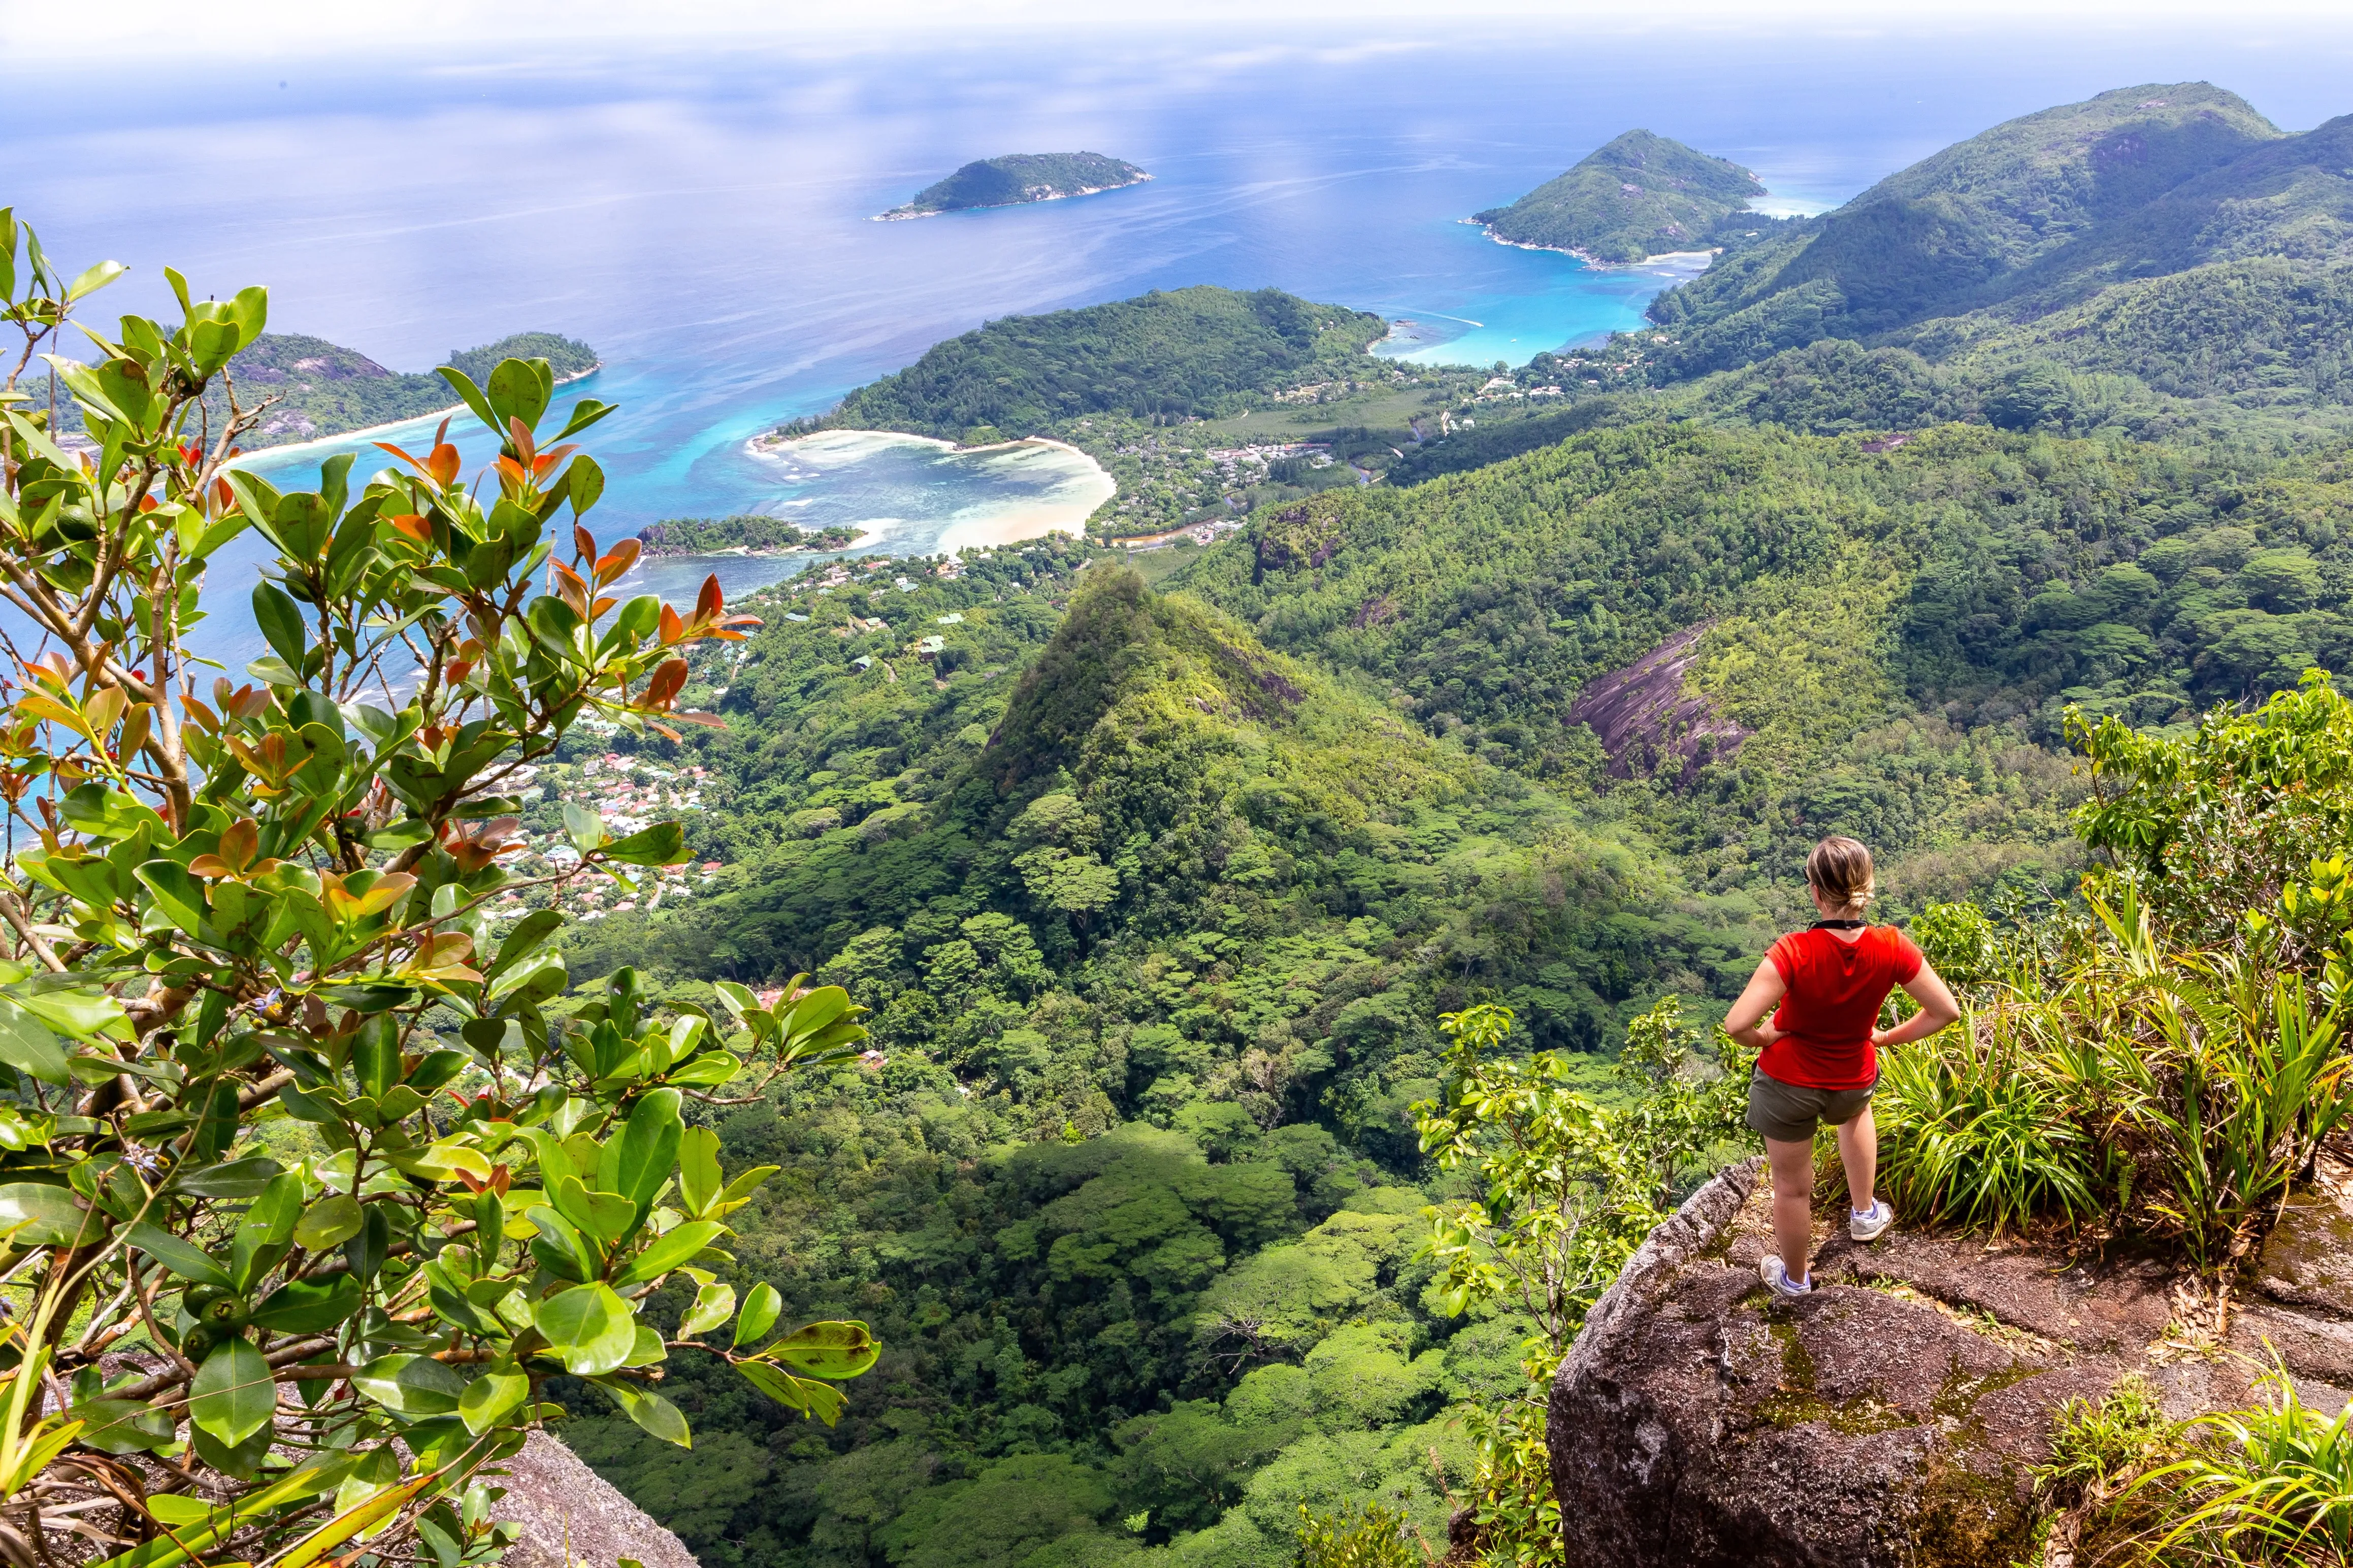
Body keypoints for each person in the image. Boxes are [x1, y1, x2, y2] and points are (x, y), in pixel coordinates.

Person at [1721, 836, 1959, 1297]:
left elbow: (1736, 1025)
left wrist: (1766, 1036)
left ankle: (1795, 1280)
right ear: (1866, 887)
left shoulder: (1793, 951)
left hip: (1788, 1082)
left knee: (1792, 1188)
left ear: (1815, 891)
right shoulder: (1893, 946)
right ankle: (1865, 1213)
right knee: (1856, 1115)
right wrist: (1887, 1037)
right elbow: (1946, 1011)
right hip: (1852, 1078)